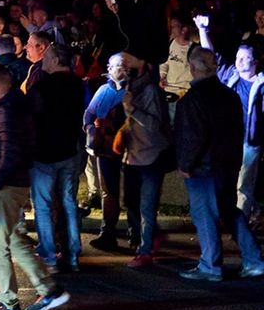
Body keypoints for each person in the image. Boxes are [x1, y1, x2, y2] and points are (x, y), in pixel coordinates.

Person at [0, 62, 69, 310]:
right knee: (14, 239)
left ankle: (8, 303)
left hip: (4, 186)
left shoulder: (7, 110)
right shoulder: (17, 106)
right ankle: (48, 289)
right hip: (14, 182)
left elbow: (10, 152)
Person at [174, 45, 264, 281]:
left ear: (193, 68)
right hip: (228, 165)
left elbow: (194, 136)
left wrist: (185, 164)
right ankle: (254, 259)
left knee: (205, 215)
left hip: (203, 168)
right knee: (228, 210)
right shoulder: (230, 95)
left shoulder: (193, 99)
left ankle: (211, 265)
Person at [28, 44, 87, 273]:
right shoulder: (77, 85)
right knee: (69, 202)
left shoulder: (41, 87)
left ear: (54, 60)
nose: (43, 59)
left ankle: (49, 254)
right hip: (69, 151)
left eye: (46, 56)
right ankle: (73, 253)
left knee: (43, 206)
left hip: (44, 154)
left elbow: (31, 116)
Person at [198, 20, 262, 224]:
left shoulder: (261, 86)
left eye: (245, 58)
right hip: (228, 140)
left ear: (255, 61)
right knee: (226, 180)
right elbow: (210, 55)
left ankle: (241, 225)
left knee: (244, 184)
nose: (240, 61)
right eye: (238, 57)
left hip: (249, 142)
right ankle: (250, 212)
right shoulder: (230, 76)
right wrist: (202, 30)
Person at [119, 51, 173, 268]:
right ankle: (151, 238)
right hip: (133, 154)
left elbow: (154, 124)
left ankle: (145, 250)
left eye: (130, 57)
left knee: (146, 206)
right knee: (130, 201)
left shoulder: (150, 90)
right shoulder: (132, 86)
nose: (125, 61)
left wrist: (132, 110)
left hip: (151, 155)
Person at [83, 53, 128, 249]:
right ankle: (107, 232)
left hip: (127, 147)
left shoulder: (131, 92)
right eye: (110, 65)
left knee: (130, 192)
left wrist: (111, 123)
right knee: (107, 191)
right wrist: (90, 128)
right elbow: (89, 112)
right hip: (104, 147)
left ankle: (136, 234)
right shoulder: (103, 89)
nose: (110, 69)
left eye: (115, 66)